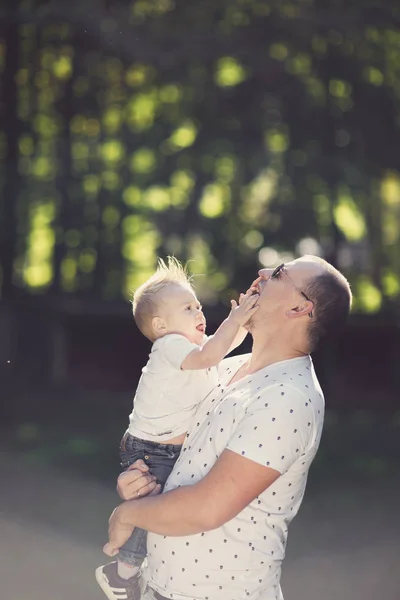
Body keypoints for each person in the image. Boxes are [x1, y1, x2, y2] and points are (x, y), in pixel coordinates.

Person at [101, 255, 352, 600]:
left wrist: (127, 515)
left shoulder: (288, 396)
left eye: (279, 273)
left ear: (298, 308)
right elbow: (178, 459)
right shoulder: (226, 368)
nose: (263, 272)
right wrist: (142, 483)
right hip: (158, 587)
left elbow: (207, 508)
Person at [95, 256, 259, 599]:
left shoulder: (195, 348)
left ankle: (129, 569)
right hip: (150, 448)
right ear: (160, 324)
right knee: (153, 508)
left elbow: (224, 345)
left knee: (159, 508)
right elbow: (212, 355)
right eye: (188, 308)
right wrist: (235, 319)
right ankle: (121, 572)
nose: (199, 313)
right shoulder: (170, 346)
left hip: (162, 447)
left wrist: (245, 317)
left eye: (198, 306)